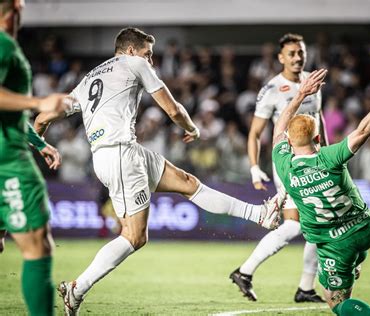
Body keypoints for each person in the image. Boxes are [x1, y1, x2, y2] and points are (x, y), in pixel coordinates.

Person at [34, 27, 283, 315]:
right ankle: (77, 289)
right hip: (119, 156)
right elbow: (173, 109)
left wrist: (40, 143)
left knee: (188, 182)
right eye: (147, 54)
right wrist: (191, 128)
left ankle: (259, 215)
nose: (150, 61)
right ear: (130, 50)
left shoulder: (90, 78)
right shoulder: (134, 64)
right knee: (135, 236)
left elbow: (43, 117)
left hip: (122, 152)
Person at [271, 69, 370, 315]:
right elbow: (364, 130)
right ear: (319, 138)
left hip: (334, 241)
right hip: (365, 228)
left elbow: (279, 127)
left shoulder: (284, 165)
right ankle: (353, 265)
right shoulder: (330, 156)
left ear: (288, 143)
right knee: (343, 272)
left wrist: (300, 94)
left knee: (335, 300)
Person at [230, 33, 327, 303]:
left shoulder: (313, 81)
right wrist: (253, 166)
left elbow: (318, 120)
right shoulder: (272, 89)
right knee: (299, 225)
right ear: (281, 58)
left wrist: (328, 154)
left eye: (301, 52)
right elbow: (254, 133)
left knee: (316, 223)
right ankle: (247, 272)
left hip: (314, 160)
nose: (297, 57)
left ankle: (302, 287)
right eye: (292, 53)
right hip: (288, 163)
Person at [0, 0, 65, 314]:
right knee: (37, 245)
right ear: (13, 11)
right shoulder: (2, 45)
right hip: (6, 164)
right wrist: (40, 101)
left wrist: (40, 143)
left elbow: (9, 111)